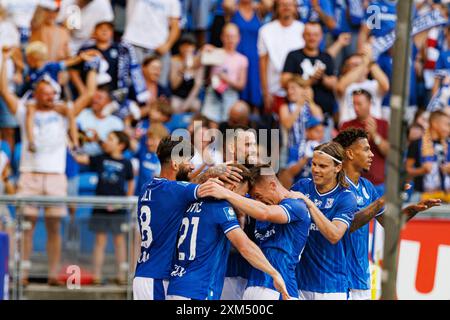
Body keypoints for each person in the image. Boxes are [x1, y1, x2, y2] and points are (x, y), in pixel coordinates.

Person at [0, 47, 84, 286]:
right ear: (36, 94)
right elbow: (4, 90)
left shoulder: (63, 112)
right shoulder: (24, 111)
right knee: (26, 227)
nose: (48, 97)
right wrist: (5, 60)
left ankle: (53, 274)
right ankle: (22, 273)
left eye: (51, 93)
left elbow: (86, 97)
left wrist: (80, 69)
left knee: (54, 228)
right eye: (43, 93)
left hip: (56, 175)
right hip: (30, 174)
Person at [334, 127, 442, 300]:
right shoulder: (335, 186)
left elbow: (390, 224)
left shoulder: (367, 187)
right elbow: (349, 225)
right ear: (350, 154)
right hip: (336, 279)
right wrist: (383, 200)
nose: (371, 155)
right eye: (366, 149)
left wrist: (414, 208)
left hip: (361, 279)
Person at [167, 164, 289, 300]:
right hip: (199, 290)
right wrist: (274, 273)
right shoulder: (221, 208)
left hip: (176, 285)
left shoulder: (190, 201)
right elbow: (245, 247)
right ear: (233, 186)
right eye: (243, 194)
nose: (242, 199)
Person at [198, 164, 310, 300]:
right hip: (252, 285)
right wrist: (212, 174)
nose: (257, 200)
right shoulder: (261, 203)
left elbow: (264, 212)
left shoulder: (296, 206)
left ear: (273, 185)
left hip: (279, 288)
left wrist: (227, 194)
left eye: (257, 195)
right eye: (253, 197)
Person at [133, 136, 203, 300]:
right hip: (156, 277)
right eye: (188, 161)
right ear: (175, 163)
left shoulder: (149, 186)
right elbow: (207, 189)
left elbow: (185, 186)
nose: (192, 166)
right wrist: (216, 171)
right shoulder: (175, 190)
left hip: (149, 273)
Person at [290, 142, 357, 300]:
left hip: (331, 287)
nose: (315, 170)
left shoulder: (346, 197)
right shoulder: (302, 187)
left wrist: (309, 204)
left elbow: (334, 235)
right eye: (313, 164)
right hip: (299, 283)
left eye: (322, 166)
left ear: (337, 168)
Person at [73, 131, 134, 285]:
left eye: (111, 139)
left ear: (121, 145)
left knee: (119, 241)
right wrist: (74, 145)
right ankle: (97, 275)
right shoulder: (100, 158)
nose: (107, 141)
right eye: (107, 138)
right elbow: (80, 158)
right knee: (99, 241)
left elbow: (131, 182)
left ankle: (121, 275)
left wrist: (126, 201)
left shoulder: (127, 163)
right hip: (100, 206)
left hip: (119, 208)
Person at [282, 22, 337, 120]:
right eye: (308, 34)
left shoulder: (326, 57)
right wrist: (310, 80)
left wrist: (322, 77)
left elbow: (334, 84)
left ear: (321, 37)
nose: (312, 38)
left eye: (315, 35)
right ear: (303, 36)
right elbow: (284, 81)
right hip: (299, 115)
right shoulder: (293, 56)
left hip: (324, 115)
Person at [258, 0, 304, 114]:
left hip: (298, 90)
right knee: (272, 130)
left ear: (295, 7)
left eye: (289, 4)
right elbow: (263, 63)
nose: (286, 7)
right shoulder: (265, 30)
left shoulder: (303, 29)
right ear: (277, 8)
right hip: (273, 89)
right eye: (283, 4)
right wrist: (265, 92)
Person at [341, 89, 389, 195]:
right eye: (354, 104)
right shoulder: (346, 125)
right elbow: (341, 152)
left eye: (359, 104)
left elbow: (389, 152)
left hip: (378, 183)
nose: (356, 108)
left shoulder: (383, 124)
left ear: (369, 103)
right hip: (354, 182)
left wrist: (375, 135)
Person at [122, 0, 181, 86]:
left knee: (160, 87)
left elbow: (175, 26)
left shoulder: (173, 1)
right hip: (134, 43)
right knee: (132, 85)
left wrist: (167, 45)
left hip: (159, 47)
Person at [201, 23, 249, 125]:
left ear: (238, 38)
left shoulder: (242, 59)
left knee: (232, 125)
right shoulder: (214, 52)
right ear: (222, 37)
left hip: (231, 95)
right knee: (213, 126)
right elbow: (196, 65)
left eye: (233, 37)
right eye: (227, 36)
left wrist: (226, 79)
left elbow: (241, 85)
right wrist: (202, 51)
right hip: (213, 94)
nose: (230, 40)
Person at [336, 45, 390, 126]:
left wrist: (370, 60)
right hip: (349, 132)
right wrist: (364, 62)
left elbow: (386, 86)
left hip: (372, 130)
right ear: (346, 68)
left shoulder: (374, 84)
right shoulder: (344, 83)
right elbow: (340, 87)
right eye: (352, 65)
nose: (357, 68)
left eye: (358, 65)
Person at [279, 75, 323, 169]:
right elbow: (287, 125)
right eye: (288, 89)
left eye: (293, 88)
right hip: (290, 150)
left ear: (303, 89)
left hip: (311, 150)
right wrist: (299, 105)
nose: (289, 91)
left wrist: (310, 101)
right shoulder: (285, 107)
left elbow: (319, 119)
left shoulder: (311, 106)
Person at [406, 110, 450, 202]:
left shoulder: (448, 145)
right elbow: (407, 172)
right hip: (422, 197)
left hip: (446, 198)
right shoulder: (417, 144)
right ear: (434, 124)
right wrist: (421, 170)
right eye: (447, 125)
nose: (448, 129)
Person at [169, 34, 204, 113]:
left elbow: (197, 85)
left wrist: (186, 104)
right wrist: (183, 69)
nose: (187, 49)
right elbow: (174, 85)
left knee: (197, 106)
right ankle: (178, 125)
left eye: (190, 46)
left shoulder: (198, 62)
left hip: (192, 97)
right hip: (177, 96)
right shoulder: (174, 61)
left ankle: (197, 126)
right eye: (184, 46)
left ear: (194, 47)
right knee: (174, 106)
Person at [134, 123, 169, 195]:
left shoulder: (168, 159)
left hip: (156, 198)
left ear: (162, 140)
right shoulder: (143, 152)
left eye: (152, 139)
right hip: (139, 196)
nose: (148, 142)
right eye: (148, 138)